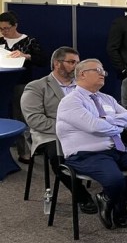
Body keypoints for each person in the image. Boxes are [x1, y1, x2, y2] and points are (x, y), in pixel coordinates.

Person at [55, 59, 127, 229]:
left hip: (115, 149)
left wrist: (107, 120)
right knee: (115, 179)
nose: (103, 74)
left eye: (104, 71)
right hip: (85, 154)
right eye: (98, 70)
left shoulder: (107, 98)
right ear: (82, 74)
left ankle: (113, 200)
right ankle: (116, 202)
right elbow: (95, 127)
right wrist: (114, 124)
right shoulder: (70, 101)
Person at [20, 47, 96, 213]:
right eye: (71, 62)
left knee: (117, 142)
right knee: (58, 155)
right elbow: (34, 119)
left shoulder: (84, 86)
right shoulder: (36, 87)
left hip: (85, 131)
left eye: (78, 63)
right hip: (50, 135)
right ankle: (82, 196)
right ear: (57, 64)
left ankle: (116, 189)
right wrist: (69, 128)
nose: (76, 67)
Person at [0, 11, 47, 161]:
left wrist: (26, 56)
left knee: (20, 116)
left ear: (15, 26)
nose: (4, 32)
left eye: (6, 28)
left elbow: (42, 60)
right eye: (1, 29)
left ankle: (25, 152)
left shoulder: (29, 41)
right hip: (2, 83)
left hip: (21, 83)